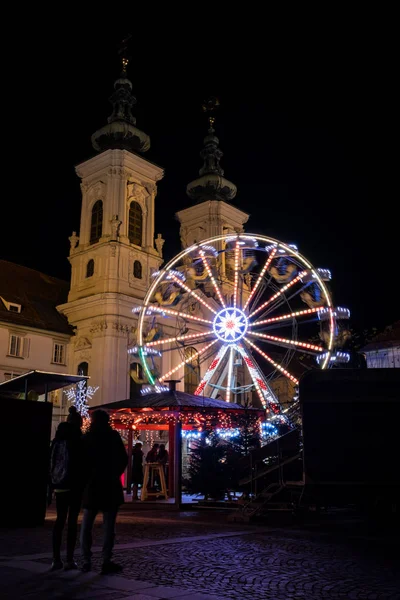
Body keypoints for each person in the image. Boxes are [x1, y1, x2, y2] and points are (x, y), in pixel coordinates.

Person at [80, 410, 128, 574]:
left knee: (86, 526)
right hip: (110, 485)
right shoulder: (113, 436)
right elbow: (123, 458)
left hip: (92, 485)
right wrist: (114, 473)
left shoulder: (87, 438)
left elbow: (81, 462)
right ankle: (106, 560)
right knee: (109, 527)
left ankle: (86, 560)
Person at [49, 420, 83, 571]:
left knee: (60, 520)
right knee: (72, 522)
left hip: (60, 486)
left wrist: (51, 488)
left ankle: (56, 558)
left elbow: (50, 465)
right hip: (74, 486)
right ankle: (70, 558)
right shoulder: (75, 444)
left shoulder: (55, 444)